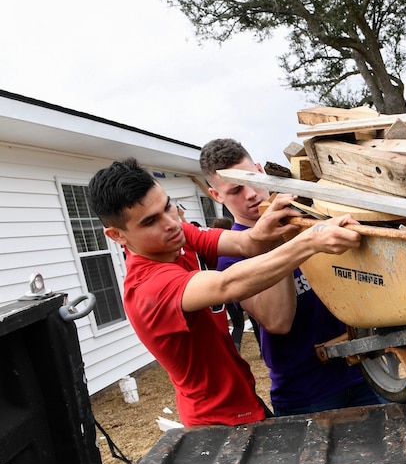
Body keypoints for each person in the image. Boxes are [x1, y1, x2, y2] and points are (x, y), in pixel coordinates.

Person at [88, 158, 361, 426]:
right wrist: (310, 242)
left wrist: (269, 223)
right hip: (214, 421)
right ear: (117, 236)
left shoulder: (177, 235)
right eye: (149, 222)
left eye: (168, 206)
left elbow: (246, 242)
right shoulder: (147, 287)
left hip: (244, 402)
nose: (170, 223)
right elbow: (227, 284)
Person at [201, 138, 384, 416]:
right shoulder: (231, 256)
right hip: (306, 393)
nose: (251, 194)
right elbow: (277, 320)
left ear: (261, 170)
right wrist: (278, 242)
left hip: (369, 371)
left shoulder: (310, 214)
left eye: (253, 179)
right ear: (216, 196)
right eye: (236, 190)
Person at [210, 216, 249, 350]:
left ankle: (233, 348)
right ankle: (238, 349)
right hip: (239, 292)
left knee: (233, 323)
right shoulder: (235, 249)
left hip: (221, 293)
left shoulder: (212, 252)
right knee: (243, 323)